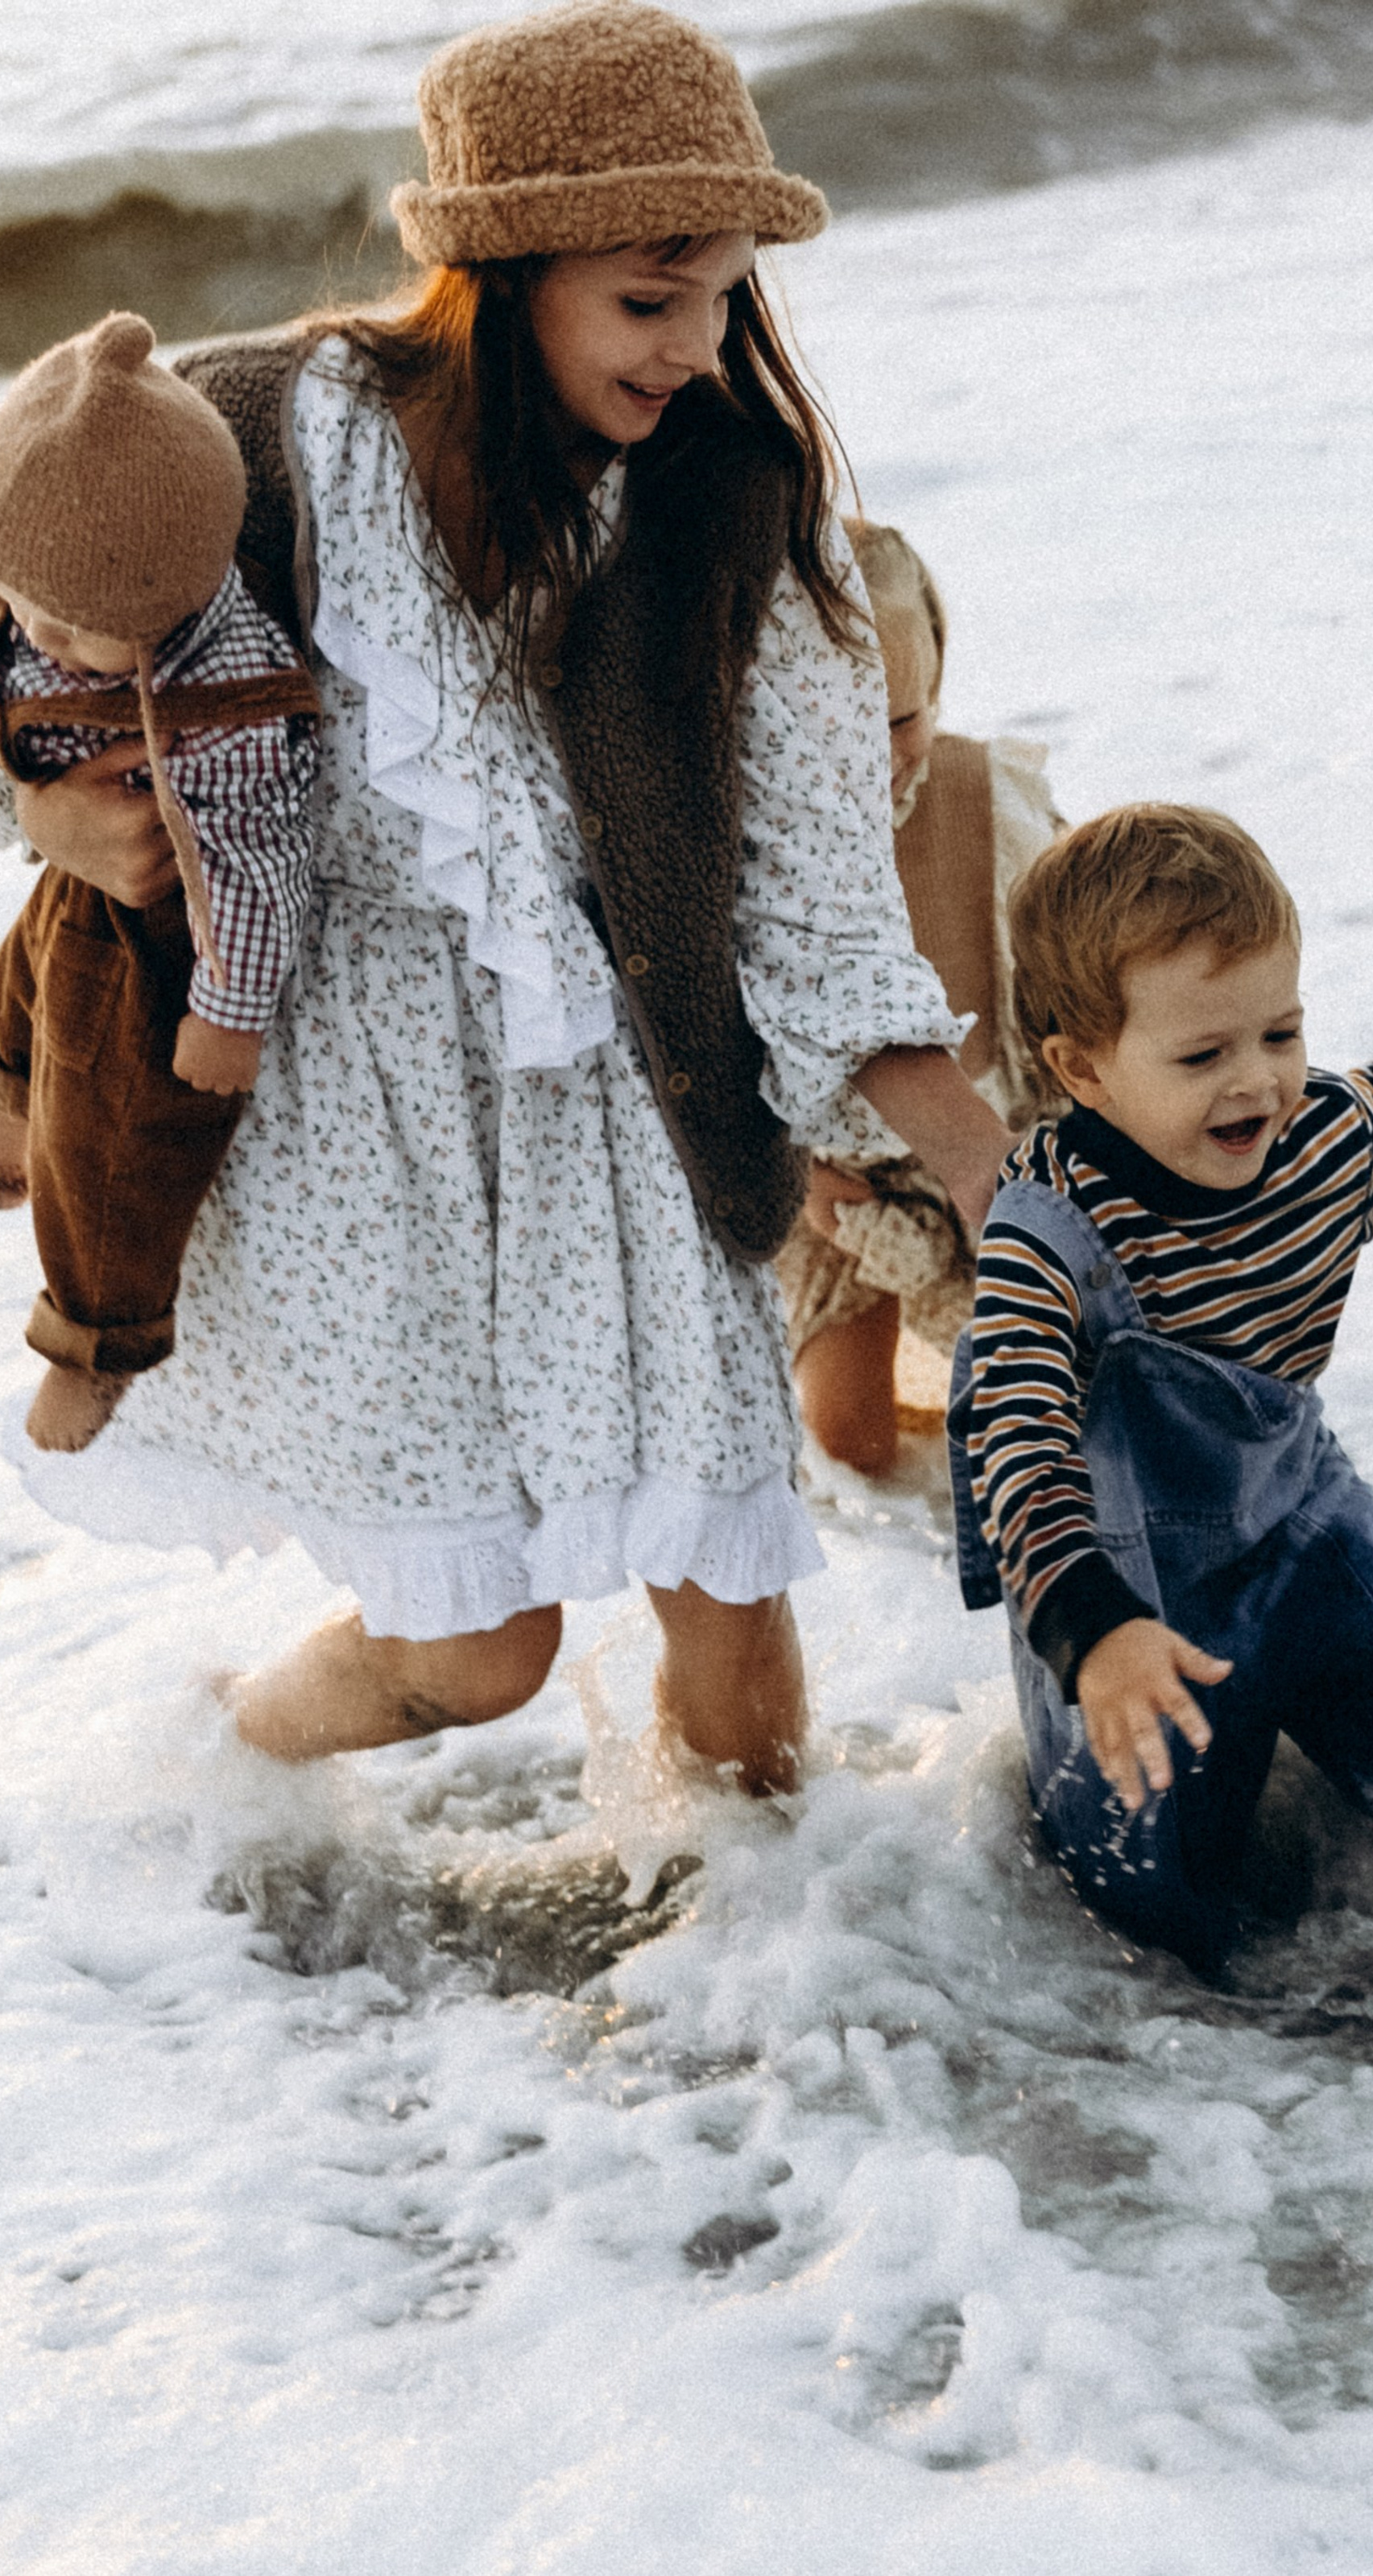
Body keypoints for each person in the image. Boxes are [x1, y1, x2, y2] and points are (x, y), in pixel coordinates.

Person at [1, 1, 1009, 1789]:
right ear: (501, 268)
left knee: (725, 1566)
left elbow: (813, 891)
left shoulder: (732, 506)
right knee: (478, 1656)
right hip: (335, 1124)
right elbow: (30, 638)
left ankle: (784, 1989)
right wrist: (52, 818)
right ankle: (211, 1786)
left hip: (626, 1099)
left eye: (723, 296)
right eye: (648, 297)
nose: (699, 350)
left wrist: (983, 1161)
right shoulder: (239, 432)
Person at [948, 803, 1373, 1968]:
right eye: (1202, 1056)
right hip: (1123, 1581)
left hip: (1305, 1524)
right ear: (1082, 1069)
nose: (1260, 1084)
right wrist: (1091, 1625)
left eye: (1281, 1032)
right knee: (1153, 1911)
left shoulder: (1328, 1140)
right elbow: (1016, 1441)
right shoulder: (1048, 1235)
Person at [0, 313, 321, 1455]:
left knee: (119, 1134)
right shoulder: (48, 584)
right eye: (24, 599)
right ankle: (4, 1105)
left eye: (75, 627)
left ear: (171, 603)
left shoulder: (232, 695)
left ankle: (100, 1332)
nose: (39, 633)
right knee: (17, 985)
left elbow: (260, 866)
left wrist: (230, 1012)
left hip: (171, 941)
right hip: (72, 888)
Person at [777, 520, 1060, 1474]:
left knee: (1062, 1395)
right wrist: (804, 1189)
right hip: (833, 1177)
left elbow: (1104, 976)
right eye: (837, 724)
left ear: (935, 691)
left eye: (899, 720)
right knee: (848, 1440)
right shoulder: (751, 841)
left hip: (986, 1144)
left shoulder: (993, 807)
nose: (871, 756)